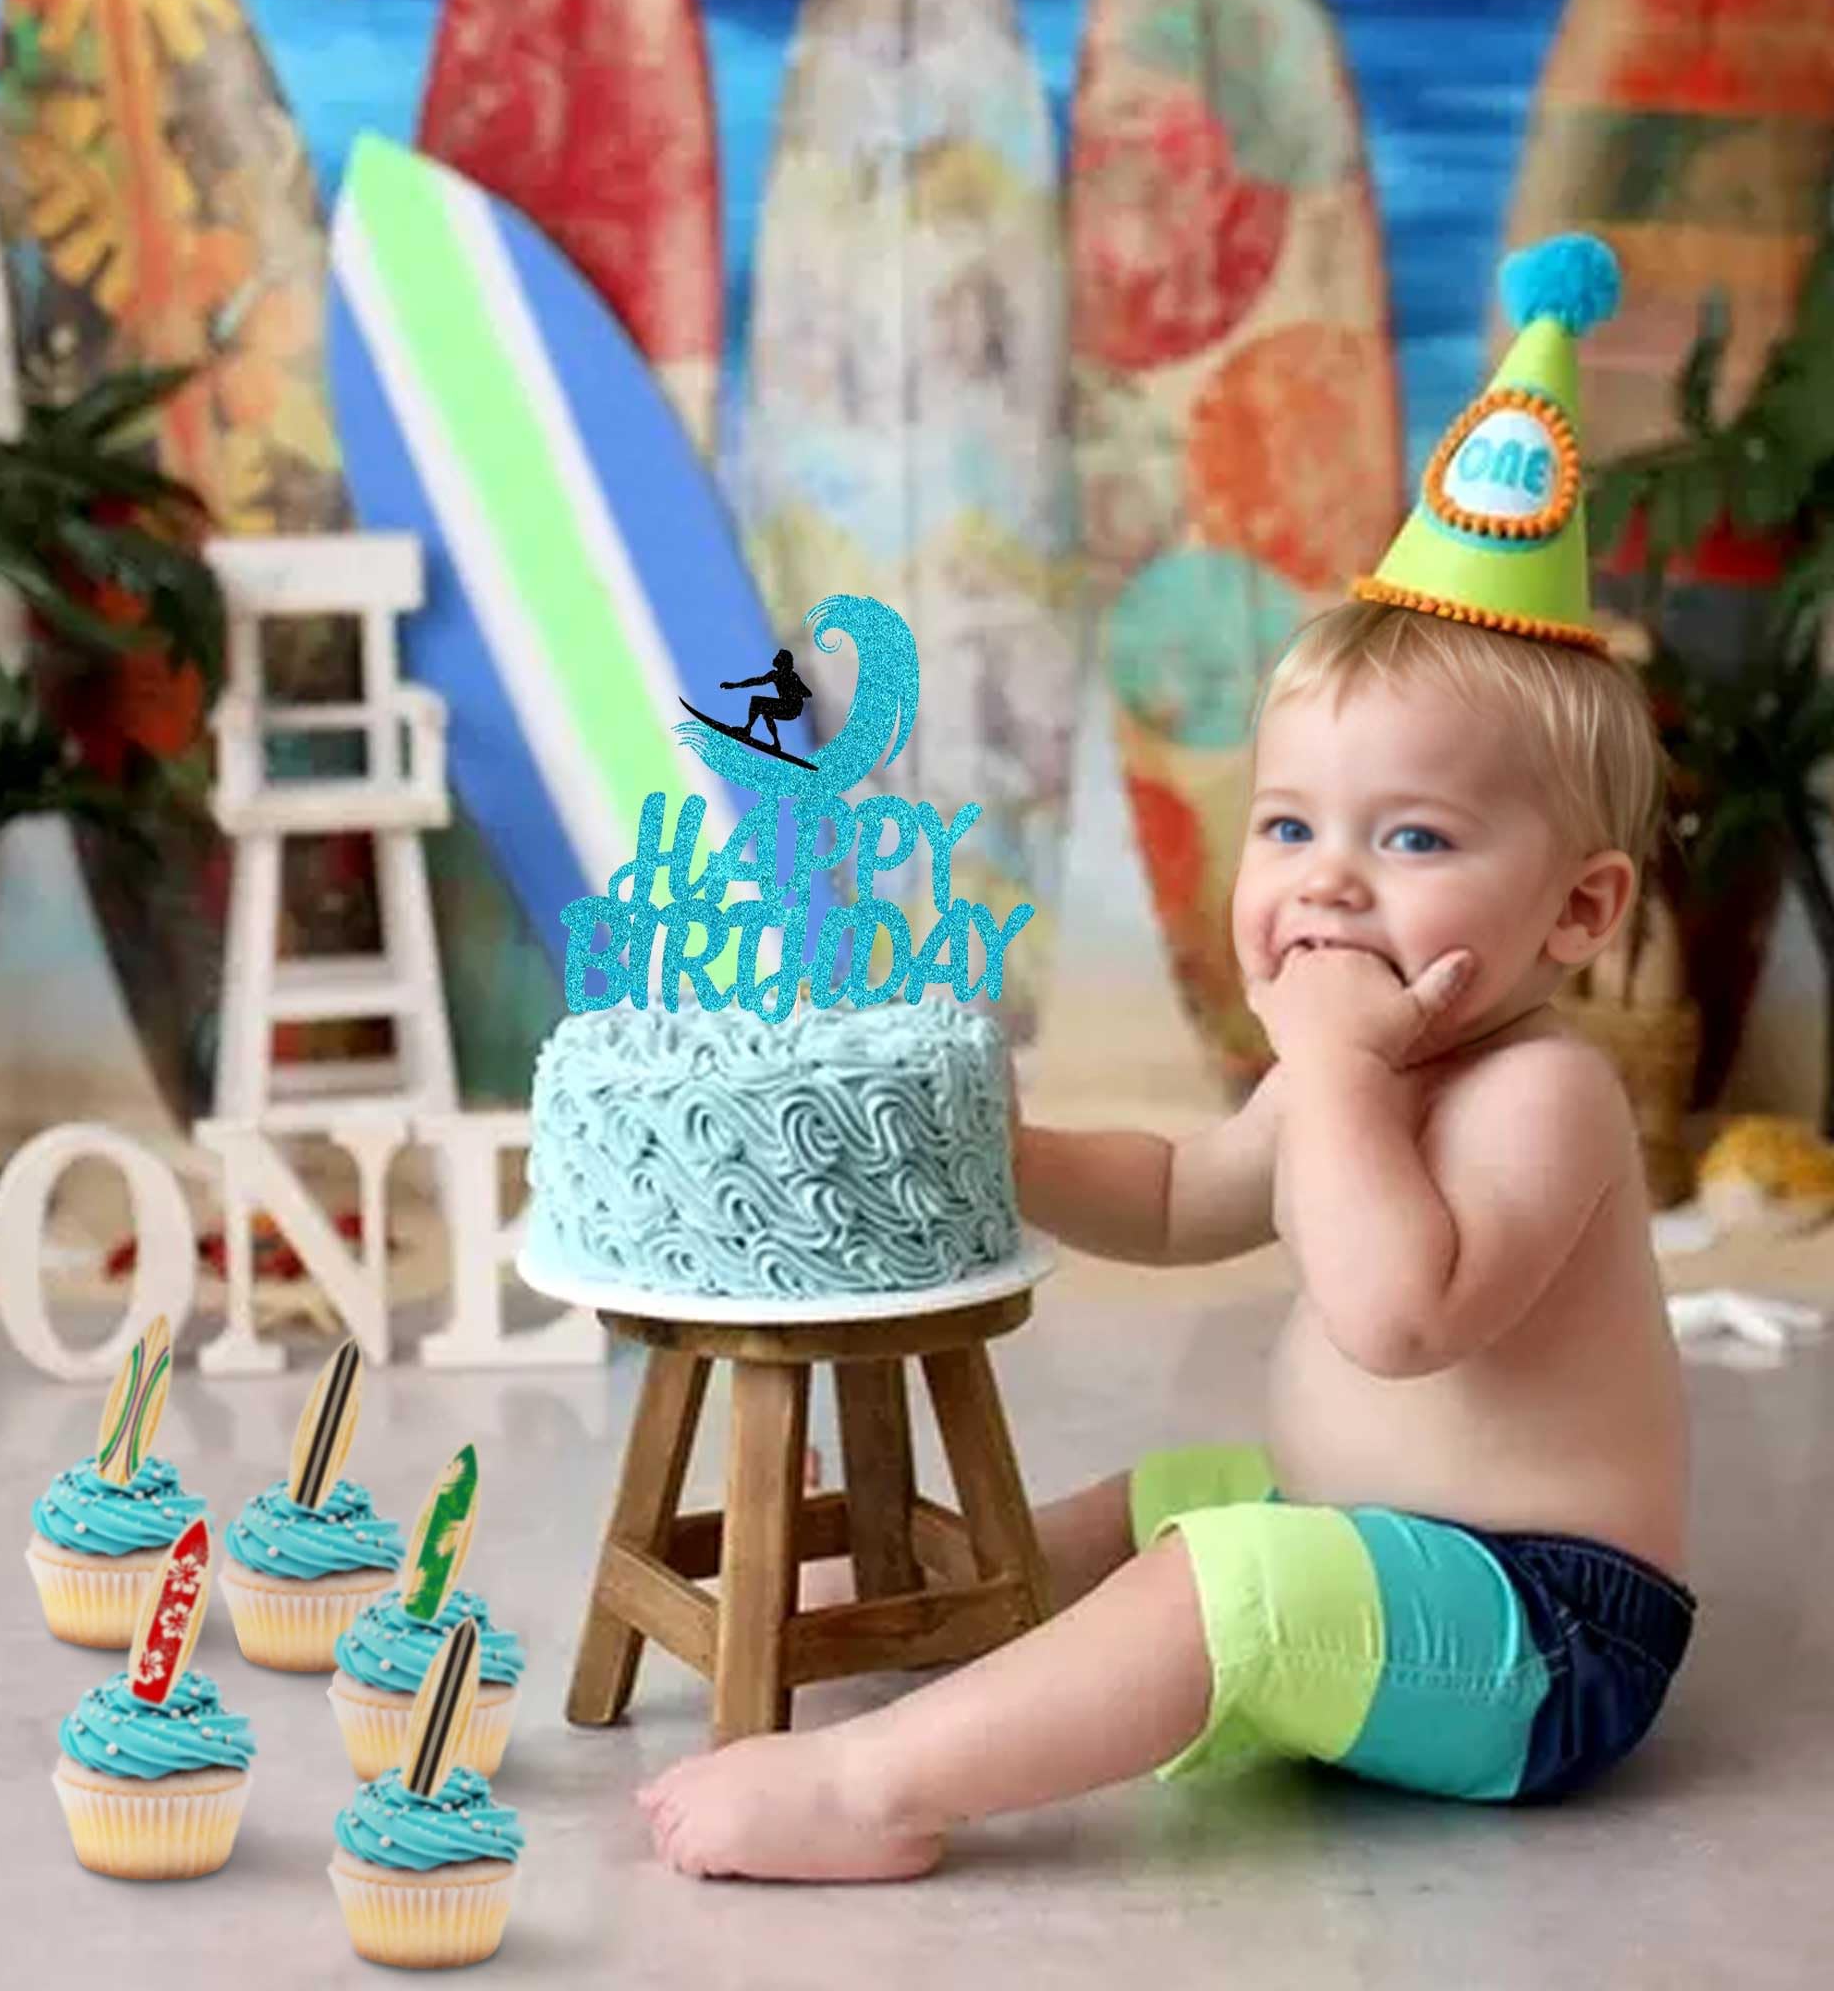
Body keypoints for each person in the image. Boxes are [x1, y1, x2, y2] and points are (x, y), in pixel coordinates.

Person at [636, 237, 1695, 1882]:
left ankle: (881, 1788)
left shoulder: (1540, 1094)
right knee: (1174, 1501)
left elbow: (1399, 1317)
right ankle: (940, 1602)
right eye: (1291, 827)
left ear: (1579, 908)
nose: (1328, 883)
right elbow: (1188, 1195)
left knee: (1227, 1578)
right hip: (1387, 1555)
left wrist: (1333, 1072)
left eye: (1413, 838)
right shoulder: (1356, 1067)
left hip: (1546, 1634)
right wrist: (1015, 1156)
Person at [722, 647, 812, 749]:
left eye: (778, 657)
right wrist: (735, 685)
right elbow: (756, 681)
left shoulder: (792, 676)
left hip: (791, 708)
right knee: (766, 713)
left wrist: (794, 691)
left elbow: (808, 693)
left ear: (783, 661)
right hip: (784, 705)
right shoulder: (775, 675)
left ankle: (748, 729)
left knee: (757, 702)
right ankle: (775, 743)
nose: (775, 659)